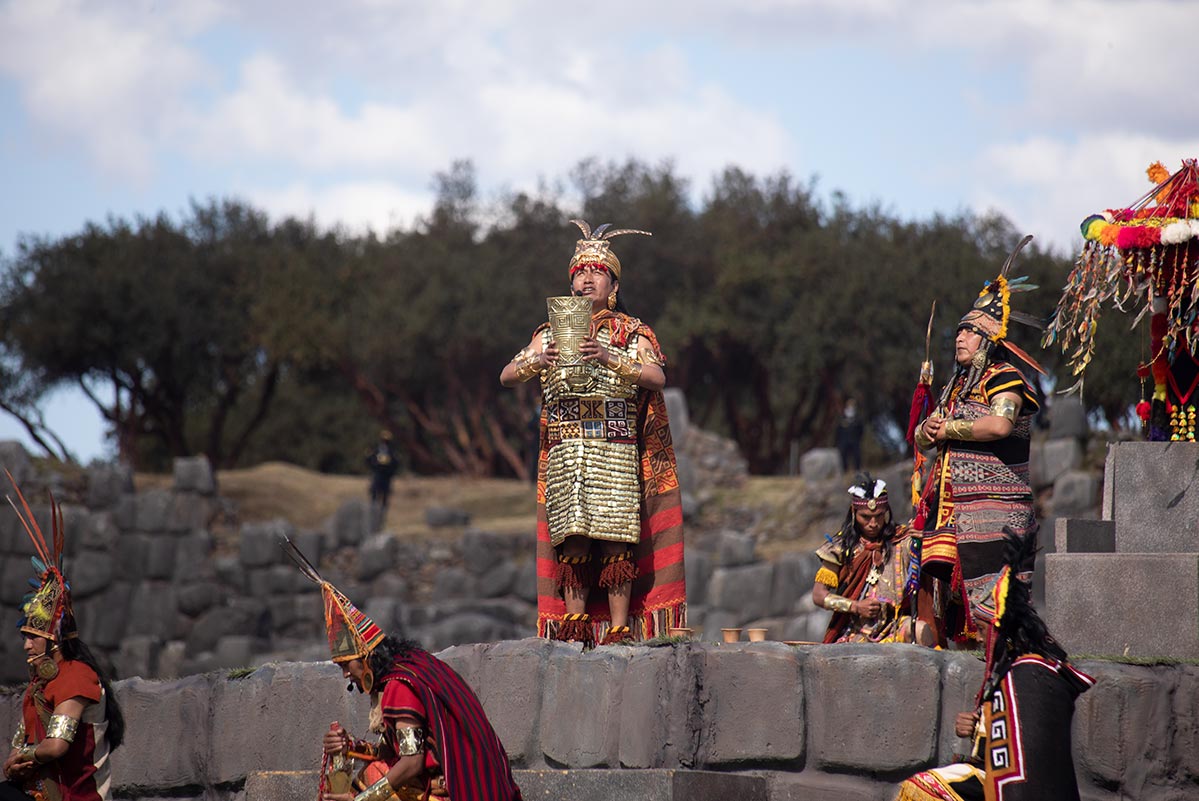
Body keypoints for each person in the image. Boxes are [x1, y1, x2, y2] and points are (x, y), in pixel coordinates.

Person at [499, 219, 687, 647]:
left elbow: (657, 376)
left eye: (596, 271)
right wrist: (537, 362)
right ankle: (574, 624)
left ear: (614, 284)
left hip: (614, 445)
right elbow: (507, 375)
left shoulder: (632, 330)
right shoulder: (547, 333)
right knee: (573, 539)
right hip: (567, 449)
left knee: (614, 538)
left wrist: (607, 356)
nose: (586, 278)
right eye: (580, 272)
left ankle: (620, 629)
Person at [282, 539, 522, 801]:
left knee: (370, 778)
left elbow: (412, 763)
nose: (345, 674)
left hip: (449, 794)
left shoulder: (398, 686)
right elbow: (395, 750)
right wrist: (349, 747)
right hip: (470, 786)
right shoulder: (409, 667)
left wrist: (361, 800)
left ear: (365, 656)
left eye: (345, 665)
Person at [894, 528, 1094, 800]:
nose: (975, 636)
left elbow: (1025, 744)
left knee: (923, 787)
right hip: (995, 774)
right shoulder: (1011, 668)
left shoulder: (1031, 672)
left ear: (998, 630)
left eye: (980, 628)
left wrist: (978, 729)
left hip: (1023, 788)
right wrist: (974, 728)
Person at [914, 236, 1044, 640]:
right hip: (950, 509)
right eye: (958, 332)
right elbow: (923, 438)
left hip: (994, 512)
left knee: (996, 607)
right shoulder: (956, 387)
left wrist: (947, 429)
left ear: (988, 339)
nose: (959, 339)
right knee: (933, 585)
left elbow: (1000, 425)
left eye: (969, 333)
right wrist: (926, 431)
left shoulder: (1005, 378)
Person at [2, 490, 125, 801]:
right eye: (25, 638)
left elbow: (56, 746)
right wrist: (15, 763)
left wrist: (24, 757)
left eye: (32, 637)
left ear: (53, 638)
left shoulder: (76, 677)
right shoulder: (38, 685)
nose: (27, 646)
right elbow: (22, 743)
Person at [812, 475, 936, 646]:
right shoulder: (840, 547)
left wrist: (925, 539)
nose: (873, 523)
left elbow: (928, 565)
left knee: (920, 631)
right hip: (854, 630)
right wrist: (855, 606)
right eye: (865, 517)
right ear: (854, 513)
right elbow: (819, 596)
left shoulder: (902, 538)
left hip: (895, 624)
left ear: (886, 513)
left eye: (878, 516)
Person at [365, 430, 399, 522]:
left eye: (387, 440)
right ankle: (372, 511)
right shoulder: (376, 450)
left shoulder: (392, 451)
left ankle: (383, 514)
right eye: (384, 440)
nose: (385, 442)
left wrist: (390, 471)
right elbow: (369, 460)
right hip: (377, 474)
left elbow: (396, 463)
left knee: (385, 496)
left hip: (386, 476)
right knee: (374, 494)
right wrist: (374, 465)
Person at [834, 399, 864, 473]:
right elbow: (838, 430)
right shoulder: (842, 417)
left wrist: (858, 437)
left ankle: (857, 470)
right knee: (843, 456)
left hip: (854, 439)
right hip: (844, 440)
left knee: (856, 455)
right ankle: (845, 470)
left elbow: (861, 429)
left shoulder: (857, 417)